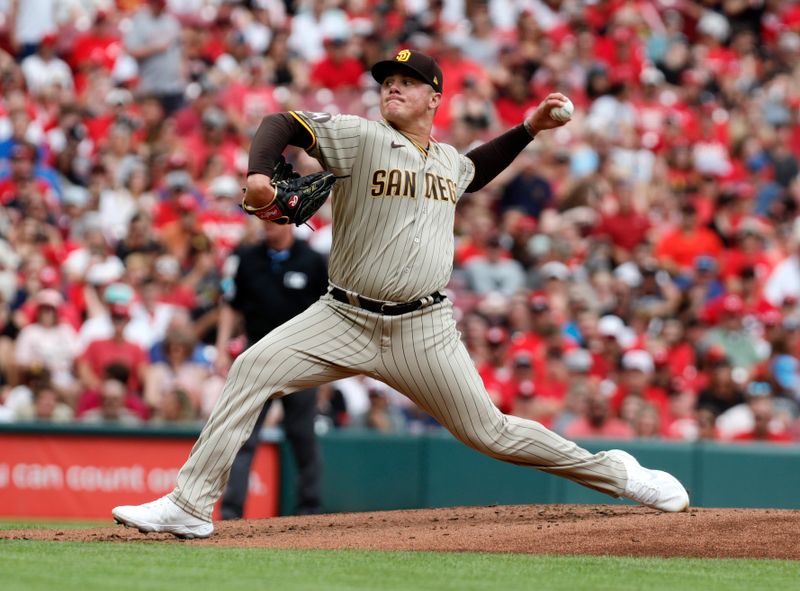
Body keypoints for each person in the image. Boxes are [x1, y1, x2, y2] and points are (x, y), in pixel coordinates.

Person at [112, 49, 689, 539]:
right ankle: (189, 506)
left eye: (407, 82)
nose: (393, 87)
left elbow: (473, 169)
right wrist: (262, 172)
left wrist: (530, 129)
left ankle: (617, 474)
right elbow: (282, 122)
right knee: (253, 367)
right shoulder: (361, 138)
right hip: (343, 315)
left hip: (423, 329)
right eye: (387, 81)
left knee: (490, 433)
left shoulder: (445, 161)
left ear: (435, 97)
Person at [216, 220, 328, 519]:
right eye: (264, 219)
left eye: (274, 220)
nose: (267, 226)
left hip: (301, 356)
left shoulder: (313, 260)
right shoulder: (247, 258)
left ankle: (309, 510)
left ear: (289, 223)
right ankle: (231, 514)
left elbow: (330, 311)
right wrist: (221, 347)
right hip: (258, 354)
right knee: (243, 437)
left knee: (302, 435)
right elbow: (231, 303)